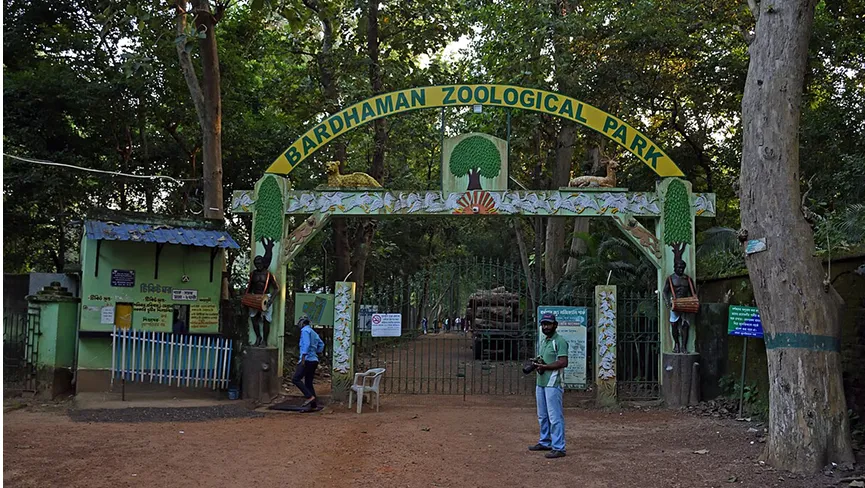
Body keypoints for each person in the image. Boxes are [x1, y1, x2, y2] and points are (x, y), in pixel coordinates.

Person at [528, 312, 568, 458]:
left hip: (553, 383)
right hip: (541, 382)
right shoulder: (544, 341)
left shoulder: (560, 341)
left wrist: (545, 367)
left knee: (554, 416)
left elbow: (563, 362)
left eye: (548, 324)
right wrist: (538, 365)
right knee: (542, 415)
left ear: (555, 325)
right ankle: (545, 441)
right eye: (544, 324)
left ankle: (559, 447)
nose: (546, 326)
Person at [244, 238, 278, 347]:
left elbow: (277, 288)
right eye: (256, 263)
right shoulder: (253, 274)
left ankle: (265, 341)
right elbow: (249, 287)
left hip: (266, 297)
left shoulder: (268, 274)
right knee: (253, 318)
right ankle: (258, 337)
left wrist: (271, 300)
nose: (258, 265)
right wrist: (245, 299)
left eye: (260, 262)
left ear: (263, 263)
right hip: (255, 297)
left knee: (266, 320)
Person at [662, 259, 697, 353]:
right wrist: (667, 302)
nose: (681, 270)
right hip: (675, 303)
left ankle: (684, 346)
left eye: (682, 268)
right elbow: (665, 291)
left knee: (685, 325)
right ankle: (676, 345)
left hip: (686, 304)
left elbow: (693, 292)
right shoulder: (670, 279)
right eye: (679, 268)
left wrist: (693, 301)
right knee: (674, 324)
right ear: (675, 268)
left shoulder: (688, 279)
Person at [292, 315, 325, 408]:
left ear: (302, 323)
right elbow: (321, 344)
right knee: (308, 382)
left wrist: (303, 357)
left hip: (306, 360)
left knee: (296, 379)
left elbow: (306, 344)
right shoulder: (313, 332)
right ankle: (314, 404)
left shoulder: (305, 331)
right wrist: (317, 352)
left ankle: (309, 396)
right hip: (314, 360)